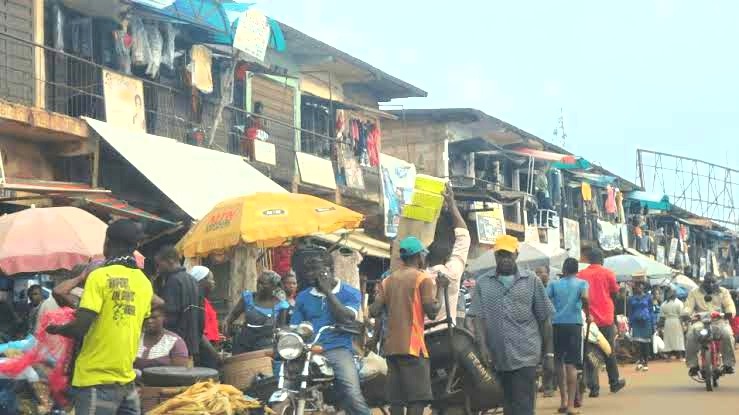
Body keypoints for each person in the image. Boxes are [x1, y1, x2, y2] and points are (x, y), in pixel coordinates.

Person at [46, 219, 153, 415]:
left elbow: (79, 328)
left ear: (107, 243)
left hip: (95, 379)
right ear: (136, 246)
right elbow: (137, 325)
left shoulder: (100, 277)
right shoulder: (144, 283)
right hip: (126, 378)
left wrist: (56, 329)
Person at [468, 235, 554, 415]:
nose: (504, 259)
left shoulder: (531, 281)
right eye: (500, 255)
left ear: (516, 255)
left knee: (523, 405)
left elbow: (544, 318)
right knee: (507, 404)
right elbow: (478, 318)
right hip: (497, 356)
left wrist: (549, 354)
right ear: (495, 256)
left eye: (508, 254)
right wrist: (483, 347)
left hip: (526, 354)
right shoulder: (483, 283)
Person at [369, 237, 448, 415]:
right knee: (417, 399)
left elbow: (374, 311)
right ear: (419, 256)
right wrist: (442, 288)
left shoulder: (387, 281)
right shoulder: (423, 278)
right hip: (413, 348)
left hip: (391, 349)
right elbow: (433, 311)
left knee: (396, 400)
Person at [291, 246, 370, 415]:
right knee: (286, 383)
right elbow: (295, 327)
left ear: (330, 269)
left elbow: (347, 318)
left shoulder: (350, 293)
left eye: (315, 269)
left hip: (338, 349)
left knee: (352, 393)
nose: (310, 274)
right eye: (307, 270)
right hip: (308, 350)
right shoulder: (302, 297)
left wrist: (327, 291)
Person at [577, 248, 626, 397]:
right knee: (608, 350)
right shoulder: (608, 273)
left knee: (591, 353)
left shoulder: (581, 275)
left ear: (589, 260)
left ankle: (594, 387)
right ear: (602, 259)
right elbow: (615, 293)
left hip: (588, 319)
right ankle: (614, 382)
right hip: (606, 318)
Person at [547, 258, 590, 415]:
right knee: (571, 365)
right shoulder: (582, 284)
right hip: (574, 325)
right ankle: (571, 406)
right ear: (576, 270)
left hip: (557, 324)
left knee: (559, 361)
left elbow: (545, 300)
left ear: (563, 270)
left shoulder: (554, 284)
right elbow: (585, 298)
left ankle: (563, 400)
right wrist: (588, 313)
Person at [425, 186, 470, 332]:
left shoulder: (417, 275)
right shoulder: (452, 273)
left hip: (419, 341)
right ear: (448, 255)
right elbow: (464, 237)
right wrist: (451, 203)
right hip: (446, 337)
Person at [154, 245, 204, 364]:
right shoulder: (193, 281)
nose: (158, 269)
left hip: (175, 347)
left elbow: (170, 317)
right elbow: (201, 317)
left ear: (170, 261)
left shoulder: (173, 281)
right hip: (191, 346)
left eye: (159, 264)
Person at [225, 270, 289, 355]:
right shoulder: (248, 298)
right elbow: (234, 314)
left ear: (274, 286)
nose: (259, 286)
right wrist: (227, 322)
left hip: (265, 346)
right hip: (243, 343)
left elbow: (281, 329)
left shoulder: (281, 305)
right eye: (258, 282)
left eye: (264, 284)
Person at [683, 273, 736, 376]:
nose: (711, 284)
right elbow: (688, 306)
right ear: (703, 283)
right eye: (708, 282)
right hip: (700, 322)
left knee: (728, 334)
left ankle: (728, 364)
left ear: (717, 282)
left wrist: (729, 313)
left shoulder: (723, 292)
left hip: (719, 321)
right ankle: (693, 365)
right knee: (690, 335)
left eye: (713, 282)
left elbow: (729, 304)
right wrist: (686, 314)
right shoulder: (694, 292)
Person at [189, 266, 222, 369]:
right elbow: (199, 332)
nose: (213, 282)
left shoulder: (204, 302)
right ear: (200, 281)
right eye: (210, 279)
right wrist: (215, 355)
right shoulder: (196, 303)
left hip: (210, 350)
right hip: (204, 352)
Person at [535, 265, 555, 397]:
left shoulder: (552, 288)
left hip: (550, 326)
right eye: (538, 272)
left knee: (549, 357)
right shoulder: (533, 288)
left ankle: (549, 386)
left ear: (548, 274)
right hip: (535, 328)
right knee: (537, 357)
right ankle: (541, 384)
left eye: (543, 272)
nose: (541, 274)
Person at [628, 280, 655, 371]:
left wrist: (652, 324)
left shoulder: (648, 297)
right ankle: (640, 361)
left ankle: (646, 362)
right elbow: (630, 312)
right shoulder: (631, 299)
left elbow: (651, 311)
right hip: (636, 322)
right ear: (635, 287)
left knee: (645, 343)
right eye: (638, 286)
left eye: (641, 286)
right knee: (637, 344)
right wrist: (630, 324)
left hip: (646, 321)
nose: (639, 287)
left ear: (644, 287)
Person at [659, 287, 685, 360]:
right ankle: (680, 356)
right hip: (676, 321)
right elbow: (682, 315)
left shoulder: (664, 304)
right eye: (675, 292)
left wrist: (660, 326)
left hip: (667, 322)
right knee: (678, 338)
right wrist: (683, 324)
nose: (676, 293)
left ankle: (668, 356)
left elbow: (662, 317)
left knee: (668, 338)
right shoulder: (679, 303)